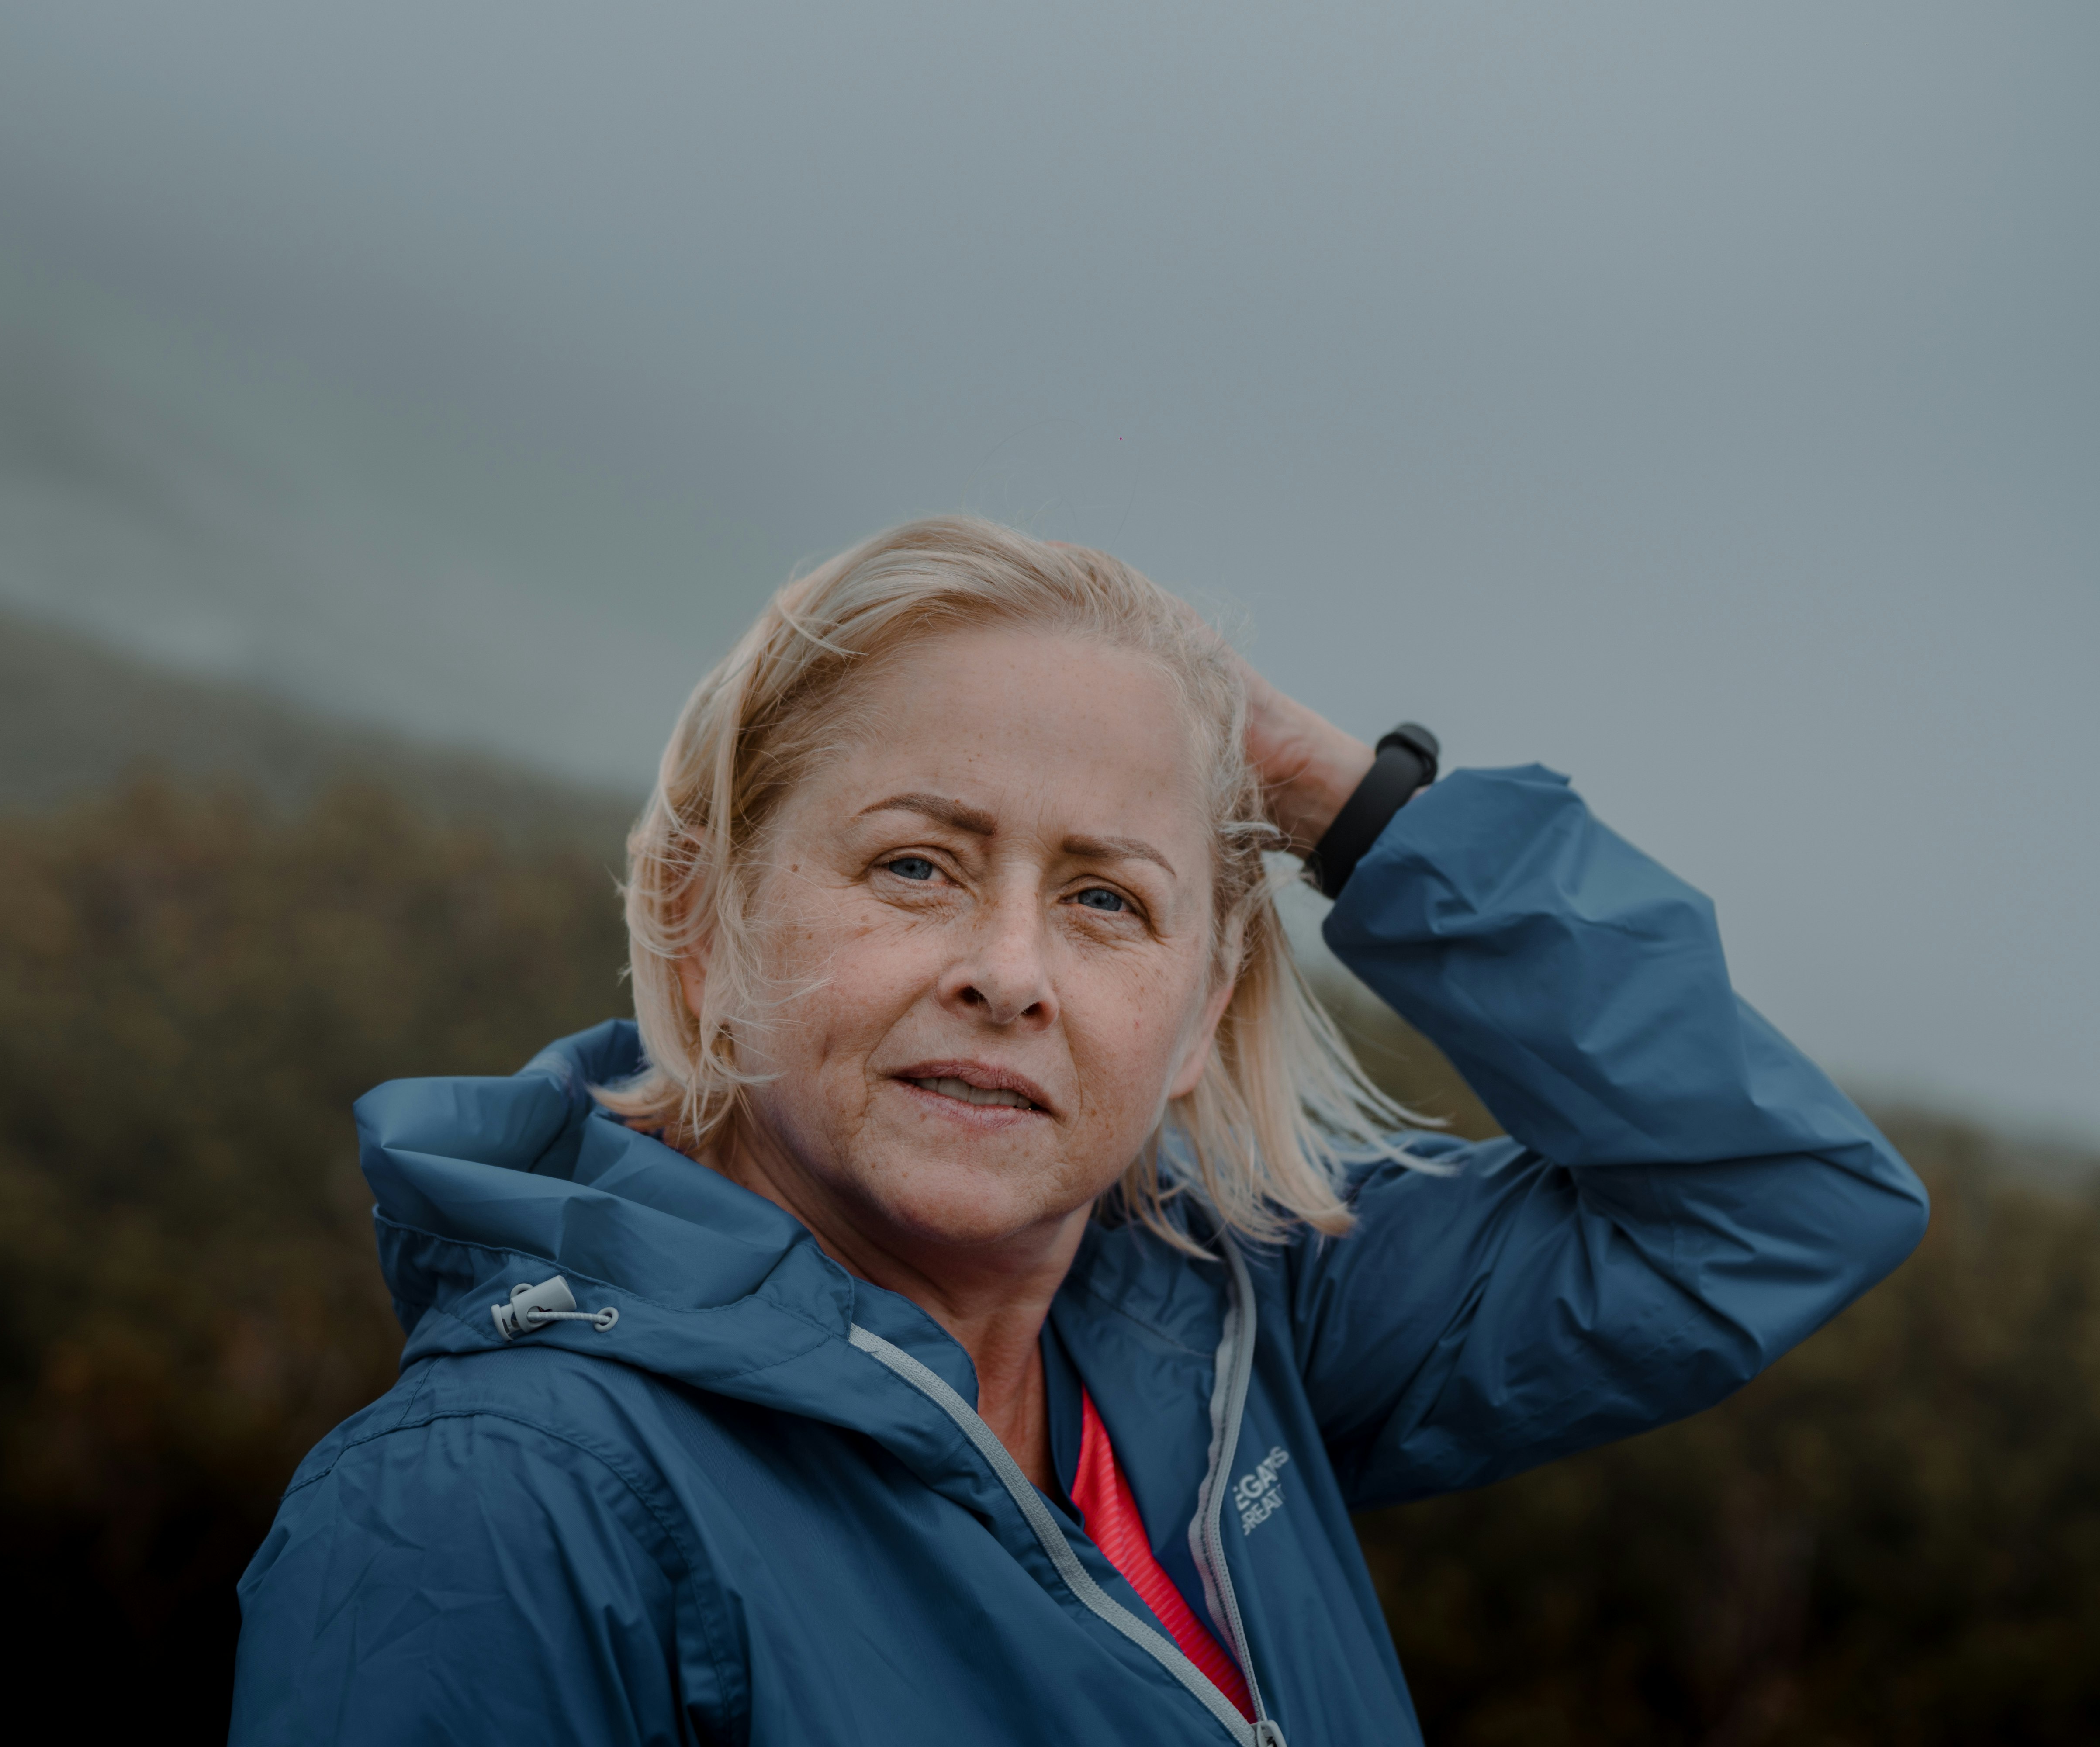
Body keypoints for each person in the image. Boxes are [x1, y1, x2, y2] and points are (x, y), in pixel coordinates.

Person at [228, 517, 1927, 1745]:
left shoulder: (1232, 1311)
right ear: (702, 925)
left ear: (1198, 1016)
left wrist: (1336, 794)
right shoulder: (491, 1509)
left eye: (1109, 898)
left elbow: (1775, 1200)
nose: (1010, 971)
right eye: (917, 863)